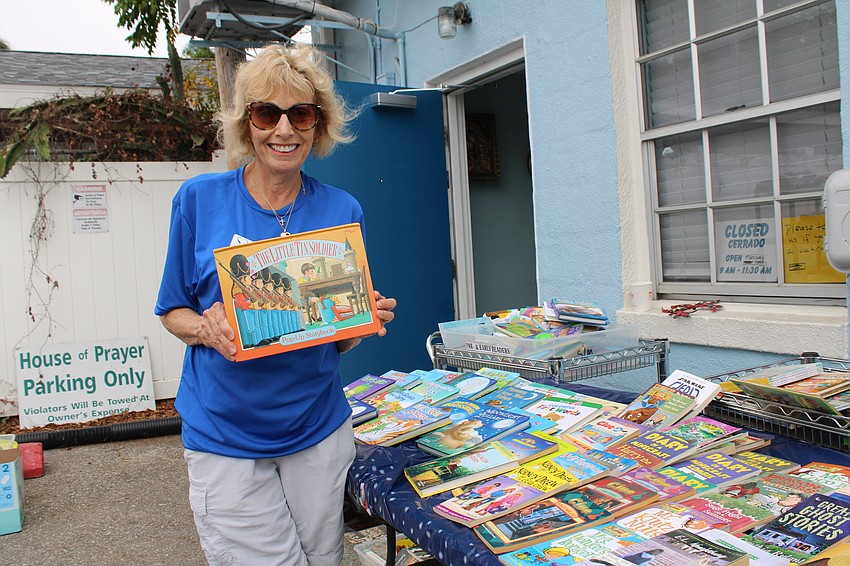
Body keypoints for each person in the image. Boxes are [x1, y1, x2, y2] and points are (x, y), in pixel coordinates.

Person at [154, 43, 397, 566]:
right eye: (268, 113)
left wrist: (362, 318)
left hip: (318, 429)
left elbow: (337, 334)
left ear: (318, 125)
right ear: (248, 124)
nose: (283, 130)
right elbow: (173, 310)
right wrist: (206, 328)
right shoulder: (198, 200)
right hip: (226, 434)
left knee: (323, 558)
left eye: (301, 114)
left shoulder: (340, 208)